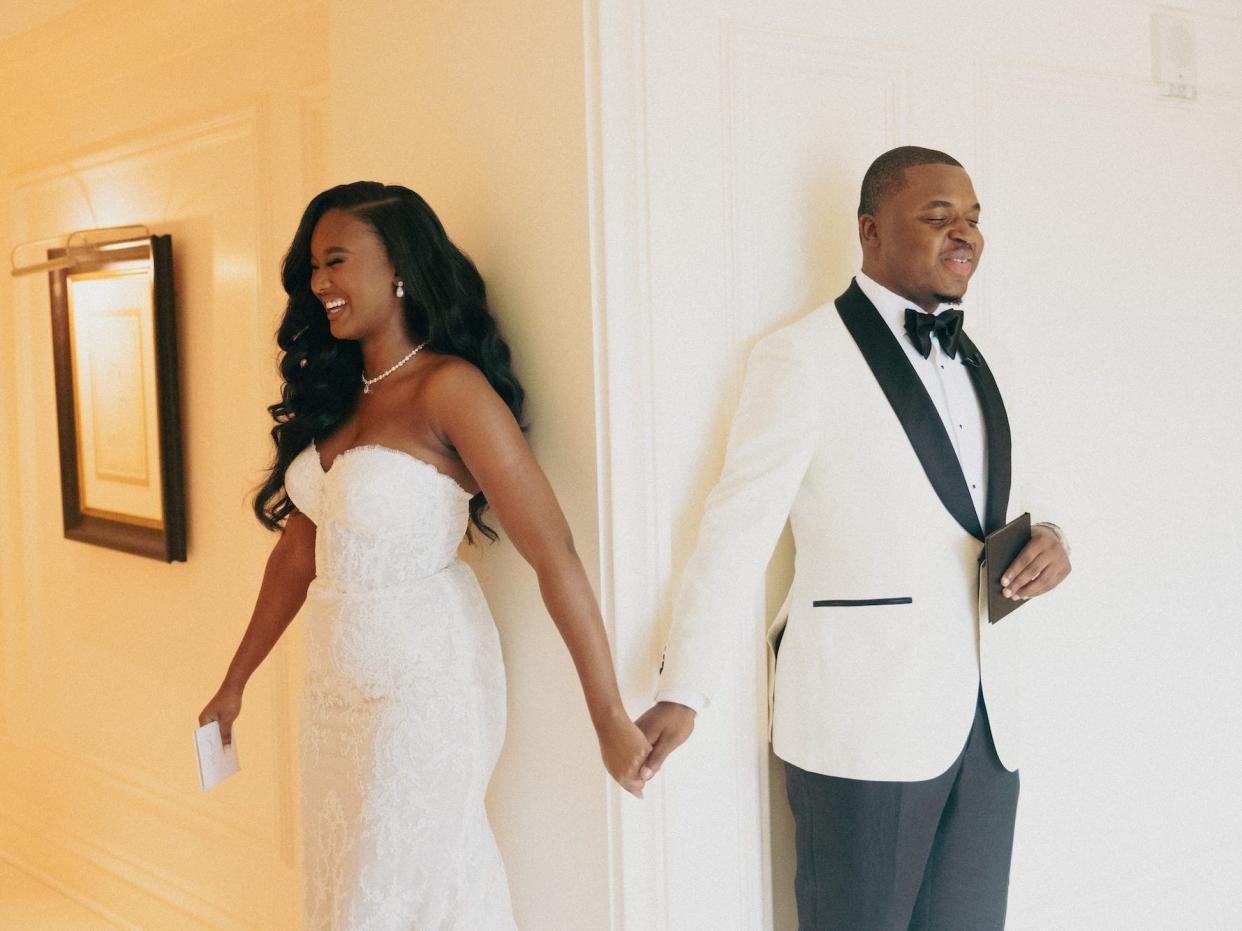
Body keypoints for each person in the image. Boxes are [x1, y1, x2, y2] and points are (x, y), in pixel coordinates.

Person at [636, 147, 1071, 929]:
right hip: (862, 724)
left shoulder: (992, 357)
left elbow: (1016, 497)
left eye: (972, 217)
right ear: (870, 232)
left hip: (989, 723)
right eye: (938, 216)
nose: (963, 232)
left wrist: (1053, 539)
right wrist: (684, 686)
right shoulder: (799, 356)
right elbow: (736, 528)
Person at [198, 182, 651, 929]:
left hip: (427, 688)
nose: (319, 285)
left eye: (335, 261)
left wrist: (608, 713)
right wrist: (234, 680)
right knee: (347, 892)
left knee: (397, 895)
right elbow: (297, 553)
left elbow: (554, 551)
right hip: (333, 697)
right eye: (312, 266)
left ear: (398, 267)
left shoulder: (452, 389)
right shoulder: (339, 394)